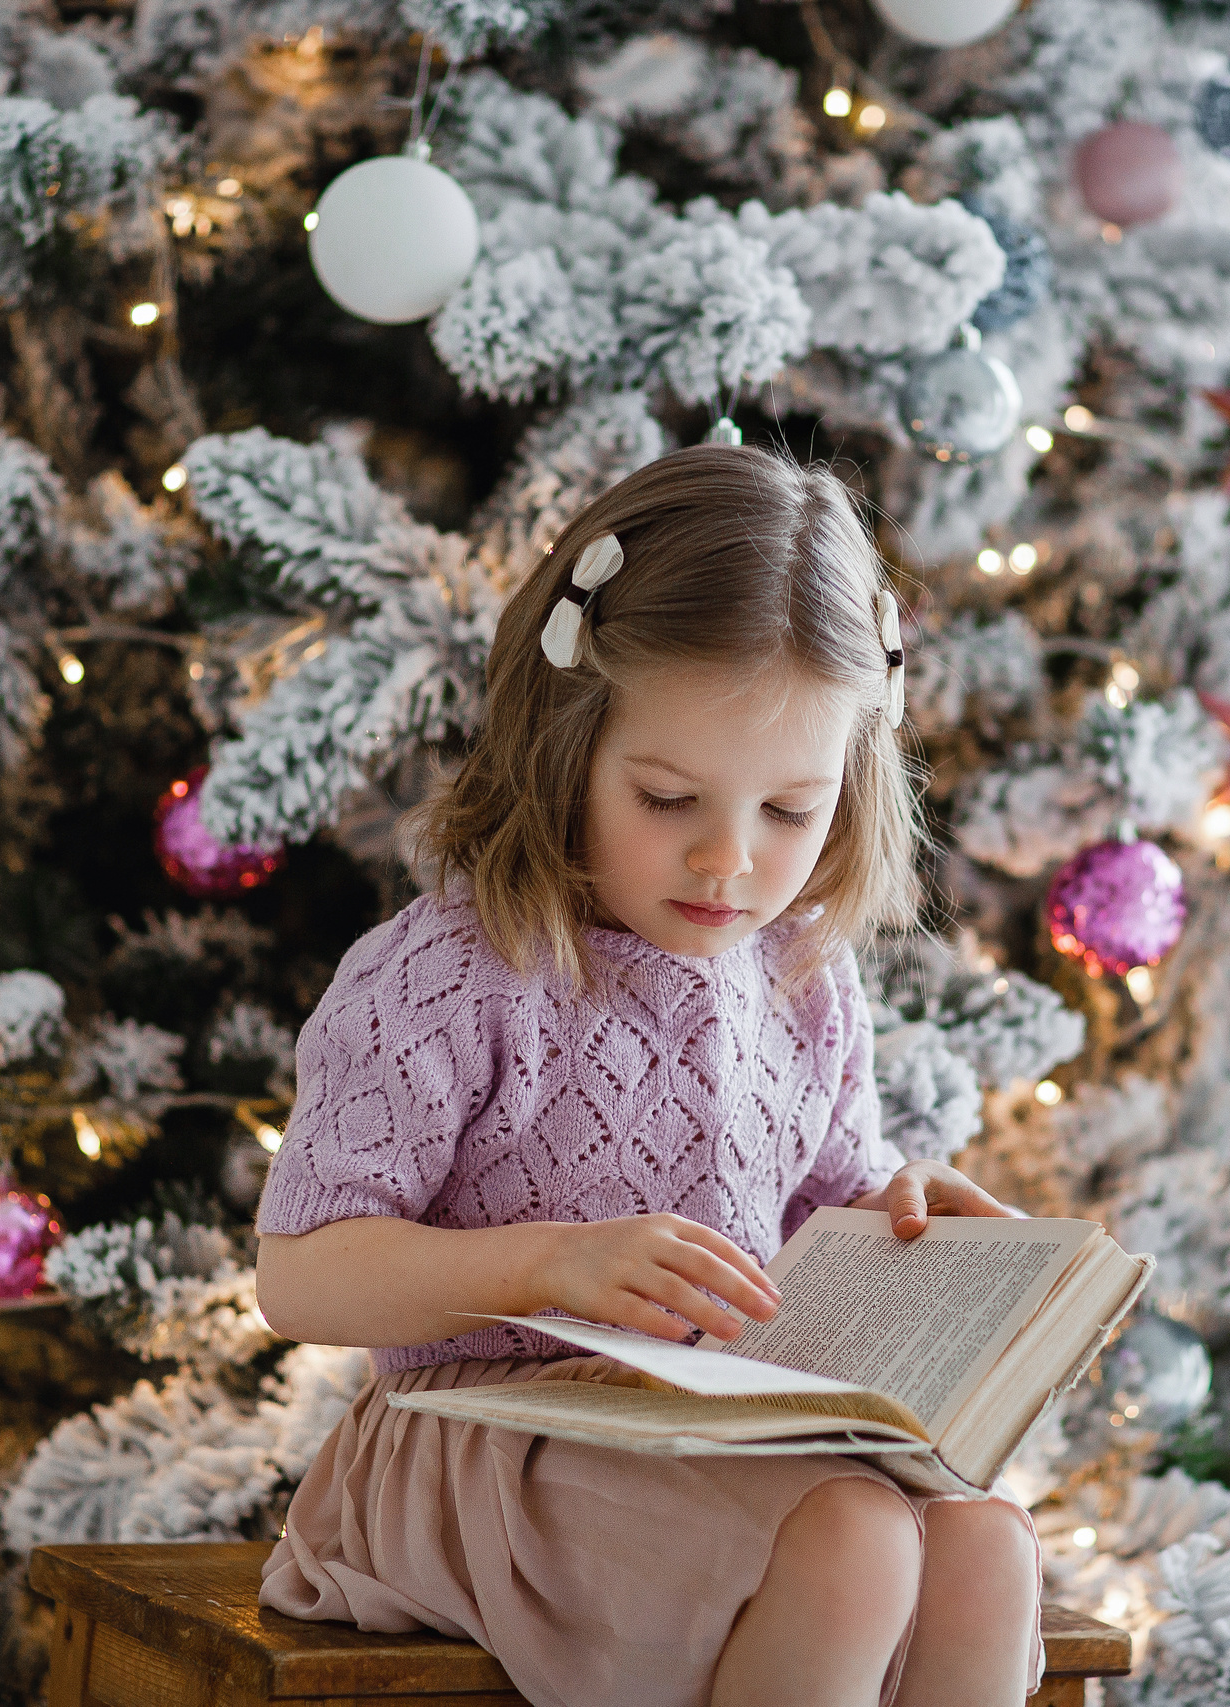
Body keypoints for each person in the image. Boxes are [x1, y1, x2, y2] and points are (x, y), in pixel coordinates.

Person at [253, 444, 1045, 1707]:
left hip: (711, 1436)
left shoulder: (803, 975)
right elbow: (300, 1274)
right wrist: (546, 1263)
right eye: (669, 796)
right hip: (475, 1443)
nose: (729, 859)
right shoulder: (457, 971)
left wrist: (905, 1222)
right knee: (847, 1544)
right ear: (567, 740)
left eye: (791, 811)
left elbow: (814, 1217)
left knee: (987, 1545)